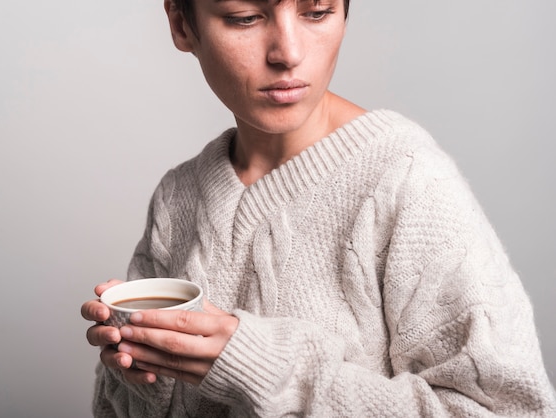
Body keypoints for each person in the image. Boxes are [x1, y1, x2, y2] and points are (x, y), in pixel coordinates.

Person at [81, 0, 556, 416]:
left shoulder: (405, 179)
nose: (288, 53)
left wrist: (261, 366)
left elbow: (510, 410)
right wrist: (139, 366)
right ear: (182, 25)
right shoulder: (177, 197)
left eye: (317, 11)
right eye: (245, 18)